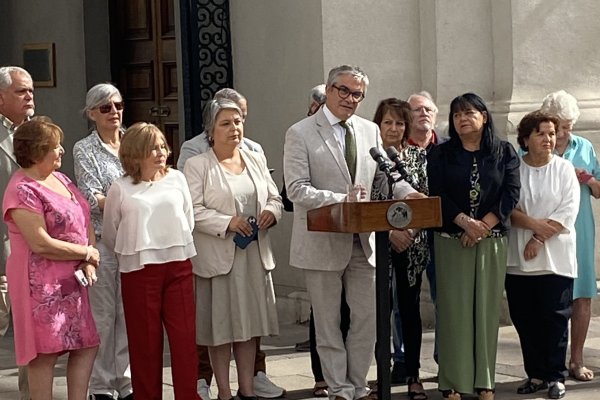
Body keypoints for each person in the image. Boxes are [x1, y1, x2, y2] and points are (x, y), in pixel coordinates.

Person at [283, 65, 422, 400]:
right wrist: (340, 200)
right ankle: (339, 388)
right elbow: (296, 189)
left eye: (357, 94)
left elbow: (382, 177)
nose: (349, 99)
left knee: (367, 319)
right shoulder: (300, 132)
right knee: (329, 324)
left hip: (364, 242)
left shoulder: (369, 131)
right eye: (343, 90)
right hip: (322, 240)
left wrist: (408, 193)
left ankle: (358, 384)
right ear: (329, 90)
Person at [179, 88, 285, 400]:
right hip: (219, 258)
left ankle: (247, 390)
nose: (234, 128)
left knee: (249, 326)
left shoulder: (255, 158)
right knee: (220, 328)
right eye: (225, 123)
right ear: (210, 130)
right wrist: (227, 222)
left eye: (237, 122)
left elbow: (275, 197)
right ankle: (224, 392)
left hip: (253, 255)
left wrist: (271, 213)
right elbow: (193, 210)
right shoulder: (198, 165)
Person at [427, 93, 520, 400]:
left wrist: (483, 226)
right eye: (456, 115)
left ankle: (485, 381)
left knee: (486, 311)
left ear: (483, 116)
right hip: (451, 239)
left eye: (469, 113)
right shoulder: (440, 154)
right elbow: (437, 194)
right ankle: (453, 381)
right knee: (454, 311)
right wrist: (465, 222)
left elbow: (510, 193)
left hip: (491, 241)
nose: (462, 119)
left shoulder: (504, 151)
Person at [3, 119, 100, 399]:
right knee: (45, 353)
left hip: (73, 280)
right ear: (36, 152)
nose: (61, 151)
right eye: (54, 147)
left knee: (86, 344)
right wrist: (86, 252)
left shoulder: (60, 178)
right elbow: (39, 242)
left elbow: (83, 216)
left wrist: (89, 259)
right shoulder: (21, 189)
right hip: (39, 285)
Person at [102, 122, 200, 400]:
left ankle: (188, 395)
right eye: (152, 148)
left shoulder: (177, 179)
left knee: (184, 340)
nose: (160, 152)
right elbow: (111, 233)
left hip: (179, 265)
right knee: (145, 344)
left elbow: (188, 219)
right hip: (139, 271)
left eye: (162, 146)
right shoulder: (120, 188)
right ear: (134, 153)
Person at [506, 111, 579, 399]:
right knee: (524, 319)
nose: (549, 139)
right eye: (541, 133)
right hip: (519, 261)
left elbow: (568, 210)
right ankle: (534, 374)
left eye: (551, 133)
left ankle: (554, 376)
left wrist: (537, 237)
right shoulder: (515, 170)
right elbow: (509, 208)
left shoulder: (564, 169)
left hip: (555, 258)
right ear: (526, 139)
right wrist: (534, 225)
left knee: (555, 318)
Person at [73, 83, 132, 400]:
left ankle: (125, 381)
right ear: (92, 113)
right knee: (104, 315)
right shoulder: (84, 149)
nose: (115, 112)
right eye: (106, 107)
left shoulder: (134, 141)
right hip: (103, 240)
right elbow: (90, 195)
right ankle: (100, 385)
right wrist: (134, 201)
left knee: (128, 313)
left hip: (136, 239)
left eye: (119, 105)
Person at [540, 90, 600, 382]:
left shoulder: (585, 147)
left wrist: (587, 178)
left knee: (582, 295)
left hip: (581, 231)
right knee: (549, 296)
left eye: (568, 127)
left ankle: (576, 360)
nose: (563, 133)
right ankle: (547, 365)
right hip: (548, 232)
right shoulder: (538, 147)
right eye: (559, 126)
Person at [372, 98, 428, 400]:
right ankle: (380, 375)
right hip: (378, 245)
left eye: (399, 123)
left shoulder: (418, 156)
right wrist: (390, 232)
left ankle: (413, 375)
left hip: (412, 245)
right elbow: (366, 200)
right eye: (388, 122)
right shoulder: (369, 157)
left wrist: (409, 231)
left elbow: (426, 198)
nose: (393, 128)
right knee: (379, 310)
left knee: (409, 311)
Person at [0, 65, 35, 400]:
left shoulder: (39, 131)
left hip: (32, 249)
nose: (29, 96)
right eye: (21, 91)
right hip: (3, 246)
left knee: (30, 330)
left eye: (31, 90)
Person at [407, 91, 445, 367]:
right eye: (417, 109)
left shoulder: (447, 150)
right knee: (403, 304)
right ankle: (405, 363)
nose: (424, 114)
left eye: (428, 109)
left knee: (443, 297)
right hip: (405, 237)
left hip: (440, 235)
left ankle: (444, 357)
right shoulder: (396, 151)